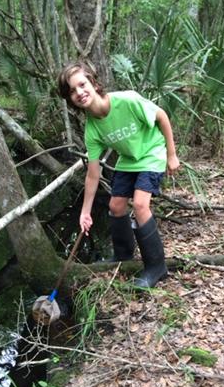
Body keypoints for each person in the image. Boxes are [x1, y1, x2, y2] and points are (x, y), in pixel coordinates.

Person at [58, 61, 180, 288]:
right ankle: (123, 255)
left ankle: (156, 267)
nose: (80, 92)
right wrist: (85, 212)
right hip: (129, 160)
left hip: (152, 153)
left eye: (82, 85)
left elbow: (161, 116)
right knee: (115, 206)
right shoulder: (92, 129)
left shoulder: (126, 100)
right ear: (70, 100)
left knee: (141, 205)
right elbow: (93, 174)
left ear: (93, 83)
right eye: (72, 91)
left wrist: (171, 155)